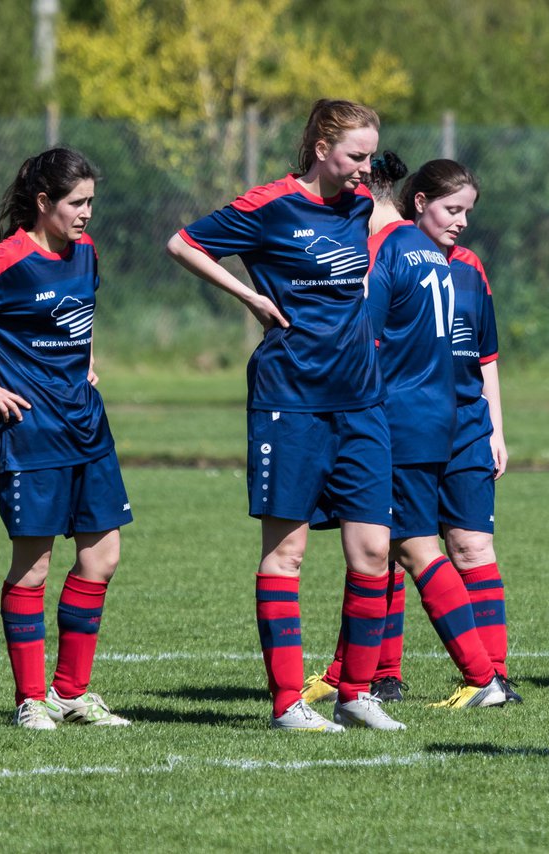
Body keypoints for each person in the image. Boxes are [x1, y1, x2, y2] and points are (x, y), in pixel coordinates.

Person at [166, 99, 403, 733]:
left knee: (375, 550)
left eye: (371, 157)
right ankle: (288, 704)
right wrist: (250, 296)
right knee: (287, 553)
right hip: (289, 399)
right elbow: (182, 243)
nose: (365, 168)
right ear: (322, 147)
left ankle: (355, 692)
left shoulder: (357, 205)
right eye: (356, 156)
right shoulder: (270, 204)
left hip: (361, 398)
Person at [0, 148, 132, 730]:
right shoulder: (6, 260)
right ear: (44, 203)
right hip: (30, 432)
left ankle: (70, 693)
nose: (88, 213)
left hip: (87, 423)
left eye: (91, 201)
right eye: (76, 203)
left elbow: (82, 314)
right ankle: (30, 700)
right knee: (33, 567)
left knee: (102, 555)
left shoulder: (84, 251)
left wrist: (86, 360)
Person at [301, 157, 508, 709]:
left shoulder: (386, 249)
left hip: (396, 419)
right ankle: (358, 676)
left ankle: (483, 676)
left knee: (411, 548)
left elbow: (361, 338)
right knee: (380, 548)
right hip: (431, 416)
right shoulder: (425, 252)